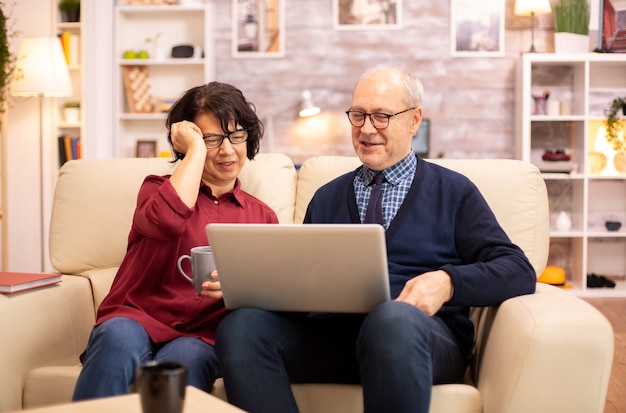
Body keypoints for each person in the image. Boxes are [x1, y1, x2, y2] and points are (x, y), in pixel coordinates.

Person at [215, 65, 537, 413]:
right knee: (241, 327)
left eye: (382, 116)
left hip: (417, 338)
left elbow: (518, 269)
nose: (367, 129)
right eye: (358, 115)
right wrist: (256, 284)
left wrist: (447, 282)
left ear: (414, 120)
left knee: (391, 318)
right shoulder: (326, 197)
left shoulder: (453, 192)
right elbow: (301, 285)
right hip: (333, 339)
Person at [72, 81, 278, 401]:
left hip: (202, 335)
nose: (227, 150)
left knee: (186, 359)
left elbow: (269, 293)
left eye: (236, 136)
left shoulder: (261, 216)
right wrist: (195, 151)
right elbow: (167, 221)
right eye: (211, 139)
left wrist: (240, 287)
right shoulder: (155, 190)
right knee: (115, 337)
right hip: (137, 316)